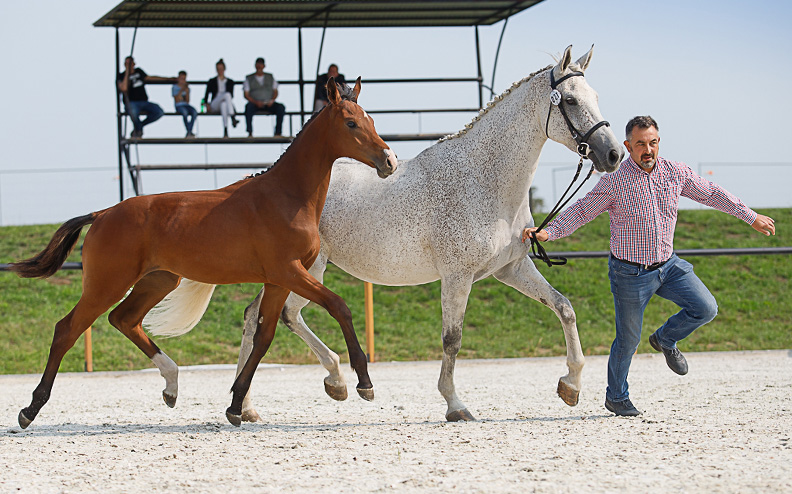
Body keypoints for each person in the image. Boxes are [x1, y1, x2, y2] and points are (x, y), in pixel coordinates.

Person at [522, 116, 776, 417]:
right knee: (628, 340)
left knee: (706, 308)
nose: (648, 149)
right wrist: (548, 232)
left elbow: (711, 193)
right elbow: (581, 210)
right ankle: (616, 397)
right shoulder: (615, 181)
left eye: (653, 143)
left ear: (659, 143)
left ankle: (666, 338)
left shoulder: (675, 173)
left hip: (669, 266)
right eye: (640, 144)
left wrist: (750, 216)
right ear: (628, 146)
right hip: (629, 273)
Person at [117, 57, 175, 138]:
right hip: (131, 102)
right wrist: (127, 73)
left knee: (159, 112)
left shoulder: (139, 71)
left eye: (130, 63)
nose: (129, 65)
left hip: (144, 102)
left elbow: (150, 78)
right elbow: (124, 88)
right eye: (127, 63)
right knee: (133, 113)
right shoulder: (121, 76)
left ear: (134, 64)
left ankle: (139, 127)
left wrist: (168, 79)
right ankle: (138, 130)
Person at [243, 57, 286, 137]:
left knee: (281, 107)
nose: (259, 67)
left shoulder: (270, 77)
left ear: (264, 66)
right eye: (258, 64)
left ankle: (278, 132)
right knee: (248, 107)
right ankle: (250, 132)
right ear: (255, 66)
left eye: (261, 64)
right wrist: (255, 102)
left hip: (268, 103)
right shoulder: (249, 78)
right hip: (255, 103)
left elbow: (275, 91)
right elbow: (246, 94)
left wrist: (272, 100)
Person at [204, 58, 239, 138]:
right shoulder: (212, 81)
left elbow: (232, 95)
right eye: (218, 69)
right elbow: (206, 96)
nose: (220, 71)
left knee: (224, 104)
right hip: (215, 102)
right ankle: (232, 116)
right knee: (227, 95)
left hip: (225, 103)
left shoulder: (230, 82)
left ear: (224, 69)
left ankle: (225, 129)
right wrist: (206, 104)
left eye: (221, 69)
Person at [172, 70, 198, 138]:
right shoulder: (174, 87)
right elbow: (177, 100)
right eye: (181, 79)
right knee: (185, 113)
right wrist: (181, 90)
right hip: (179, 106)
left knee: (194, 112)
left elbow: (187, 101)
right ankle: (189, 131)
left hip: (186, 105)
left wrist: (187, 92)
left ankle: (189, 130)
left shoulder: (187, 89)